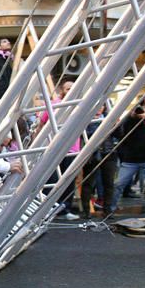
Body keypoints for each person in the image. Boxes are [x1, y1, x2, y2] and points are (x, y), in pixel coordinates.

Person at [108, 93, 145, 214]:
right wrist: (131, 117)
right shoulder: (132, 116)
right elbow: (122, 134)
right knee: (119, 184)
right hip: (131, 158)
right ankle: (110, 209)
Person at [36, 81, 81, 220]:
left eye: (73, 88)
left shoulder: (79, 104)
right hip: (53, 147)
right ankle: (48, 209)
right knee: (52, 180)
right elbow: (41, 122)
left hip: (72, 148)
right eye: (68, 88)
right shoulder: (54, 104)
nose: (70, 91)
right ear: (62, 90)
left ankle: (64, 209)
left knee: (68, 181)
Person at [80, 105, 118, 219]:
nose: (99, 108)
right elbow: (86, 135)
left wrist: (116, 125)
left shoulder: (109, 118)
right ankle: (86, 211)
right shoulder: (85, 120)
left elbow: (119, 134)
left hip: (108, 152)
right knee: (88, 183)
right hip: (91, 155)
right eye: (97, 105)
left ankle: (107, 210)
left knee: (109, 183)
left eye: (102, 105)